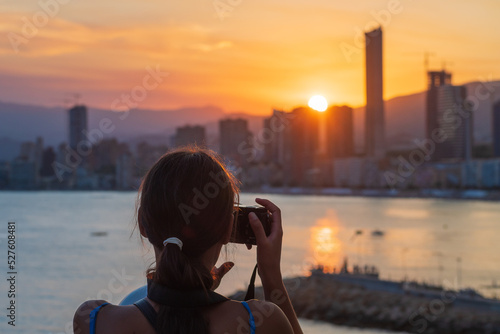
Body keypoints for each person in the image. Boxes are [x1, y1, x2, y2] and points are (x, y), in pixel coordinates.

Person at [73, 147, 303, 334]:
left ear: (143, 224)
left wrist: (187, 285)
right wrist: (271, 274)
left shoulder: (95, 321)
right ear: (228, 230)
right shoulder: (261, 323)